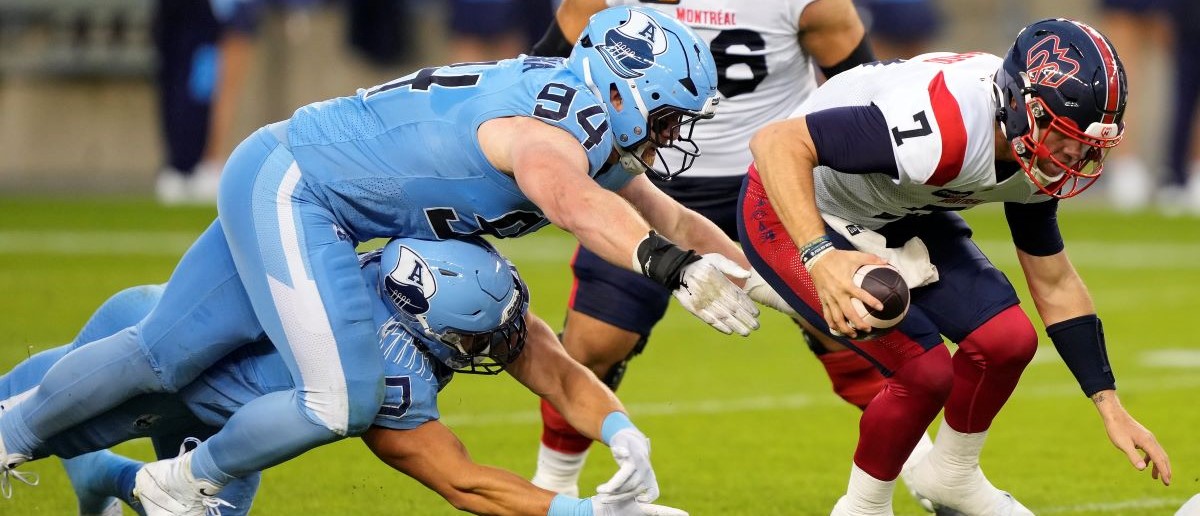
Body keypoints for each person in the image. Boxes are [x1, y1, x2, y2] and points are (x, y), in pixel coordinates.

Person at [0, 6, 759, 514]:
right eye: (668, 113)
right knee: (339, 399)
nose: (673, 132)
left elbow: (674, 216)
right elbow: (573, 203)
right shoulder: (552, 133)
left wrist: (767, 279)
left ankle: (15, 433)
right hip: (300, 189)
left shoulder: (582, 115)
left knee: (161, 354)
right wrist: (670, 268)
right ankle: (174, 483)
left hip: (293, 176)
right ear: (628, 91)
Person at [741, 17, 1172, 515]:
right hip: (794, 203)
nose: (1073, 156)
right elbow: (776, 143)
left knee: (1008, 341)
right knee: (924, 372)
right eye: (1063, 136)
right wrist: (819, 256)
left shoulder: (1030, 150)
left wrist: (1109, 404)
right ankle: (863, 507)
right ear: (1017, 103)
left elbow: (1053, 279)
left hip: (899, 208)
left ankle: (953, 475)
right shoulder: (942, 127)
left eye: (1089, 144)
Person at [524, 0, 935, 499]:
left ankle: (927, 474)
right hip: (637, 174)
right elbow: (544, 75)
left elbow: (864, 91)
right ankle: (552, 484)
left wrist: (879, 205)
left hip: (769, 181)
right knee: (594, 344)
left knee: (846, 320)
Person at [0, 237, 686, 516]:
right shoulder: (388, 373)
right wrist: (588, 511)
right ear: (430, 325)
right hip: (149, 376)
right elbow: (464, 480)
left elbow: (558, 373)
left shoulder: (399, 265)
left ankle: (104, 479)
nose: (502, 345)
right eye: (483, 336)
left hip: (194, 377)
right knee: (20, 422)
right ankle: (100, 475)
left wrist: (621, 431)